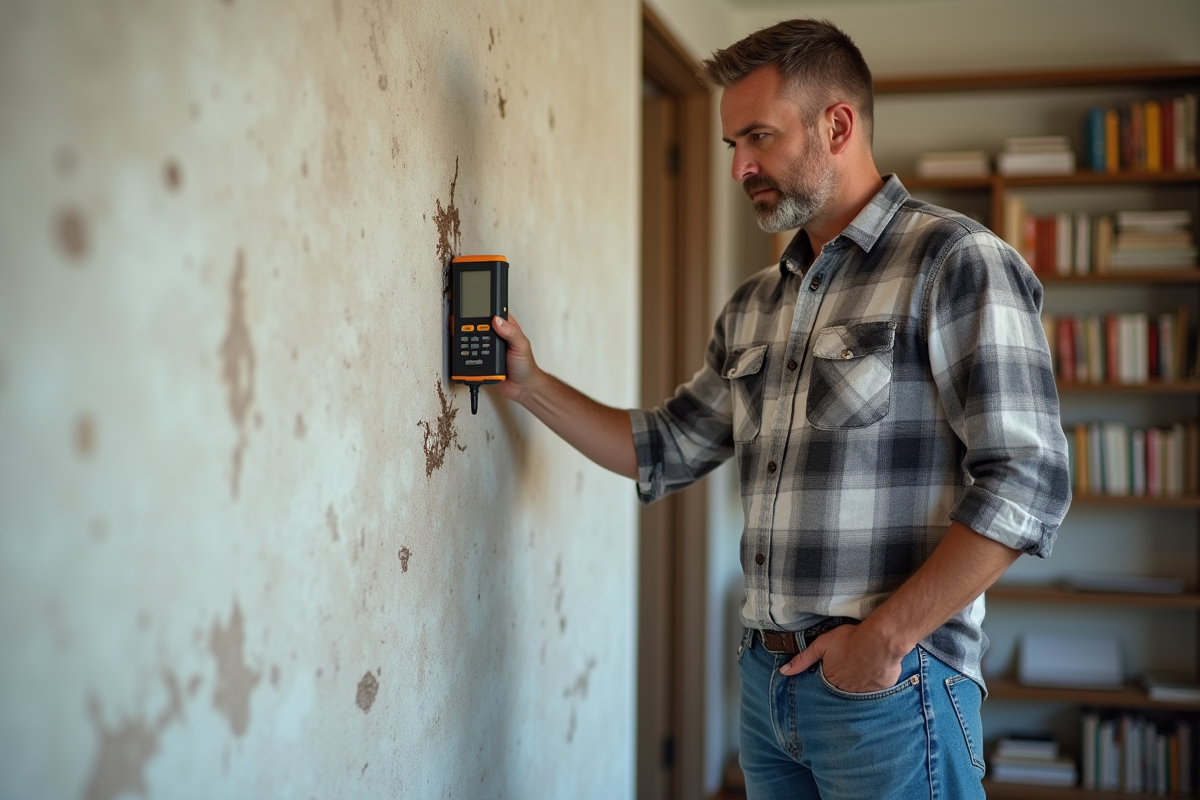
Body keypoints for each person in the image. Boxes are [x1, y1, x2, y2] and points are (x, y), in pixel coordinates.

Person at [490, 17, 1071, 800]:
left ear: (837, 125)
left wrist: (882, 641)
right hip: (768, 691)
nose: (740, 167)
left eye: (756, 137)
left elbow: (1028, 482)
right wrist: (529, 384)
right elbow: (661, 446)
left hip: (890, 691)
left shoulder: (956, 261)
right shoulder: (755, 306)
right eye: (733, 145)